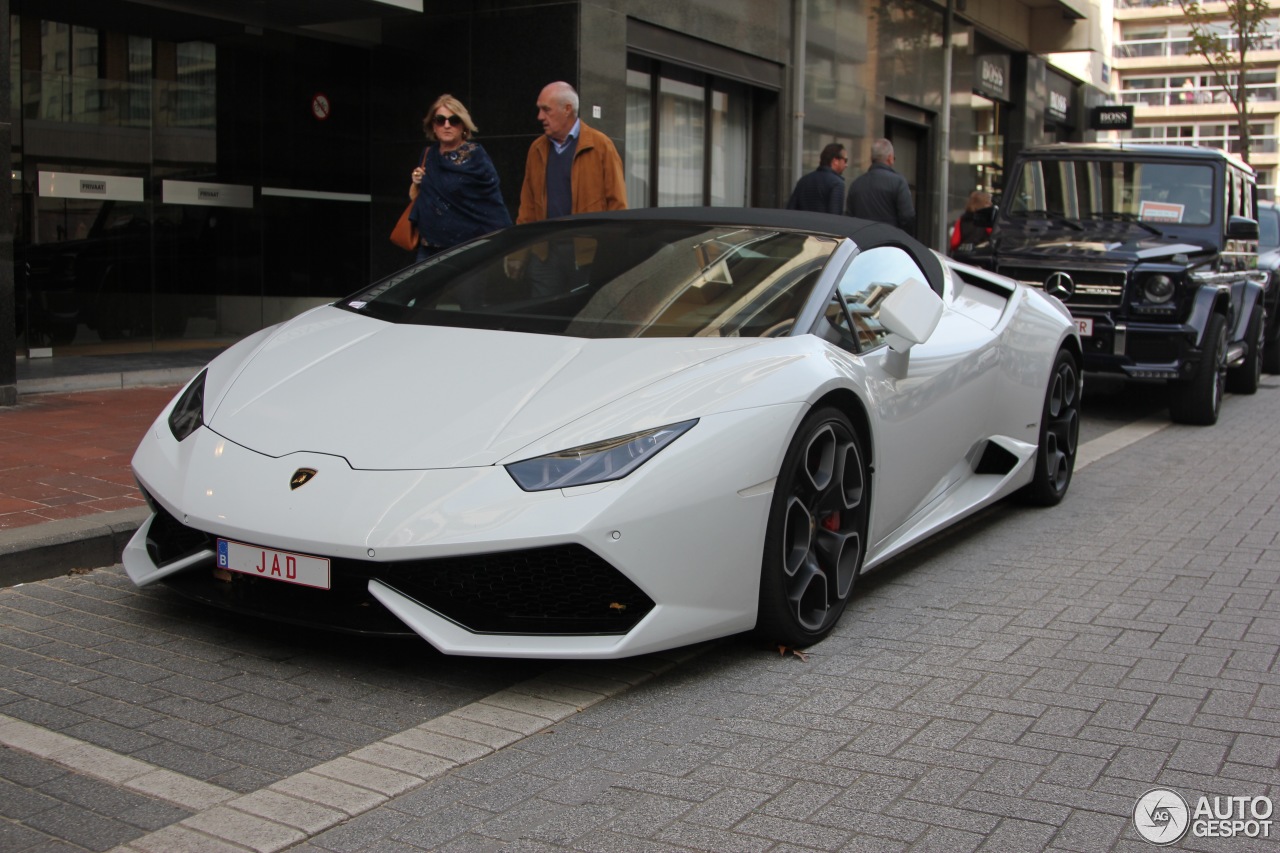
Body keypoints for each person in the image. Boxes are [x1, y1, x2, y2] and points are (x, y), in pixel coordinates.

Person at [408, 94, 512, 261]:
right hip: (428, 249)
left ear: (463, 125)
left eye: (454, 120)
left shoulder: (475, 156)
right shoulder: (429, 155)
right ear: (433, 126)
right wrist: (416, 183)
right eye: (440, 120)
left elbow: (491, 202)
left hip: (465, 251)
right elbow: (422, 199)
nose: (447, 125)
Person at [516, 81, 626, 224]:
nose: (540, 116)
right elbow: (527, 207)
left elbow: (617, 203)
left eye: (546, 109)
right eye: (539, 109)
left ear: (567, 109)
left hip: (588, 243)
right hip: (546, 243)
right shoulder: (537, 149)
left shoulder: (601, 146)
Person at [844, 137, 916, 237]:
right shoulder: (898, 182)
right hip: (890, 243)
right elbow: (907, 217)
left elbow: (849, 218)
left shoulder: (856, 184)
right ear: (890, 158)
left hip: (862, 243)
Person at [786, 143, 848, 214]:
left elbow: (790, 210)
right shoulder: (837, 183)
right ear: (835, 161)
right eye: (845, 160)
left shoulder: (804, 180)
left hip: (801, 224)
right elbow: (835, 217)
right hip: (822, 224)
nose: (846, 165)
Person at [949, 190, 995, 257]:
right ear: (982, 204)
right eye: (987, 203)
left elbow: (954, 243)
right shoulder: (987, 221)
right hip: (981, 259)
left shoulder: (961, 220)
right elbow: (994, 239)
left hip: (963, 259)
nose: (991, 205)